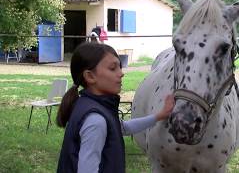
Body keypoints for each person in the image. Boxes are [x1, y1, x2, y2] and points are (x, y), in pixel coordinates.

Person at [56, 42, 175, 173]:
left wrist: (159, 116)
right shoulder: (96, 120)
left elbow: (122, 127)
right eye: (113, 68)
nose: (121, 73)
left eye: (120, 67)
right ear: (90, 76)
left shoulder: (88, 104)